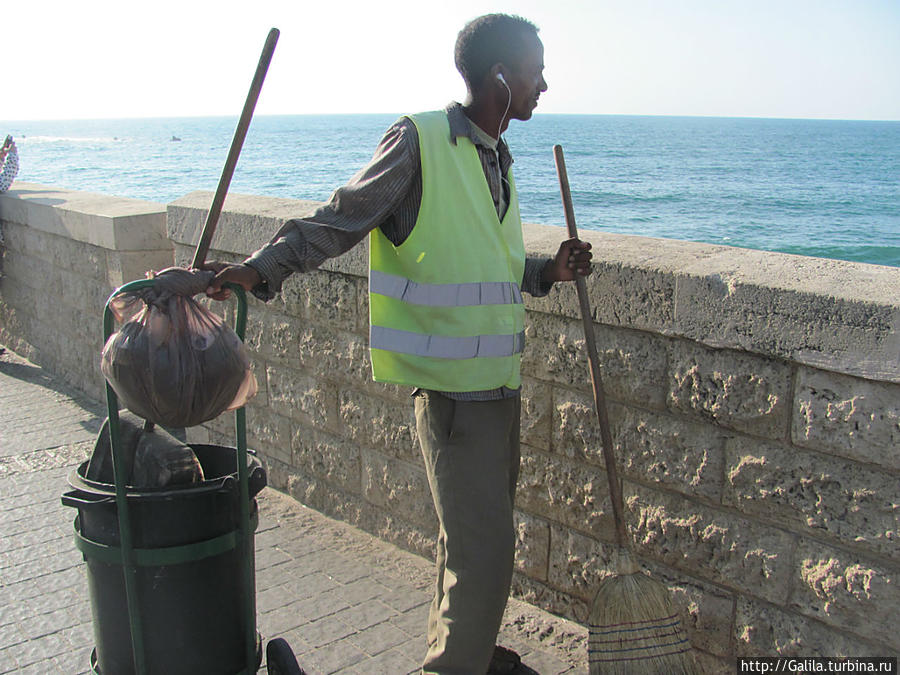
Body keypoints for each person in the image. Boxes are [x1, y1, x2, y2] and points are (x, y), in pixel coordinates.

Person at [205, 13, 592, 674]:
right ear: (500, 76)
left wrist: (545, 271)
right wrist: (260, 269)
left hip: (498, 391)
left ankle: (463, 651)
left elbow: (483, 264)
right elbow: (341, 218)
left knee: (465, 545)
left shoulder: (493, 154)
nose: (545, 83)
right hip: (453, 399)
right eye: (536, 68)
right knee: (486, 553)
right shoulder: (420, 142)